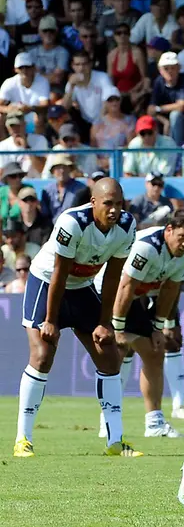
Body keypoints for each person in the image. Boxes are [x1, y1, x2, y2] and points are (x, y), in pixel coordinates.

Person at [15, 178, 138, 458]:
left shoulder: (127, 226)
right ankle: (23, 438)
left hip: (82, 287)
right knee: (43, 355)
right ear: (93, 202)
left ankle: (115, 441)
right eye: (108, 203)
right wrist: (50, 319)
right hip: (47, 283)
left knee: (109, 354)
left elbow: (113, 276)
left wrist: (105, 323)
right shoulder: (72, 222)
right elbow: (59, 273)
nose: (114, 210)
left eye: (119, 204)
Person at [110, 211, 184, 440]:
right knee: (116, 352)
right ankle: (108, 420)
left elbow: (171, 288)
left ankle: (154, 424)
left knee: (154, 351)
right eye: (182, 236)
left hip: (140, 296)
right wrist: (118, 328)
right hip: (112, 293)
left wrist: (160, 327)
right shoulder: (146, 246)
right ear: (168, 230)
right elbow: (125, 286)